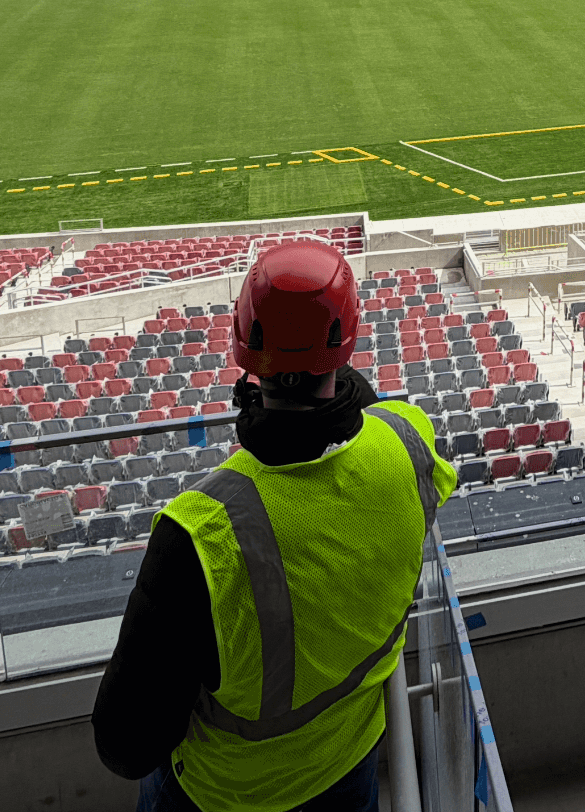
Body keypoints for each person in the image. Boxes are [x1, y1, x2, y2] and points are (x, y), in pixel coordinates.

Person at [94, 239, 456, 812]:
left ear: (244, 346)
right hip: (350, 765)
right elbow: (371, 418)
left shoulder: (197, 535)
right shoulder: (409, 443)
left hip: (224, 798)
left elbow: (125, 746)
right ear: (345, 342)